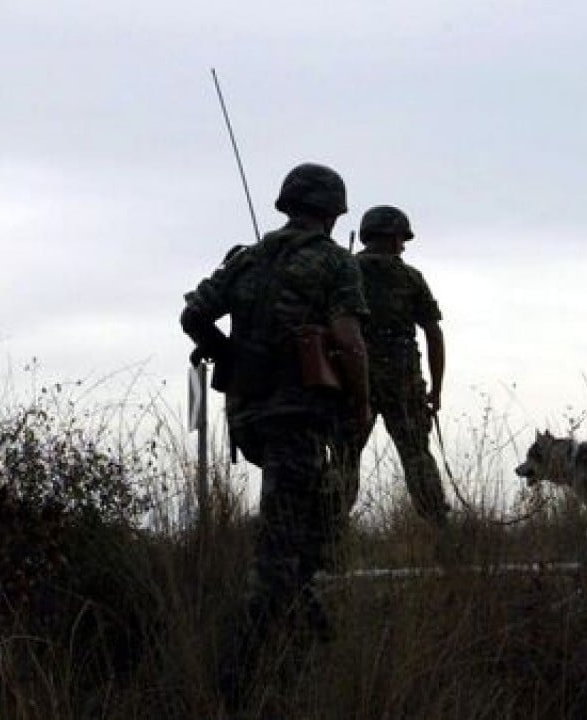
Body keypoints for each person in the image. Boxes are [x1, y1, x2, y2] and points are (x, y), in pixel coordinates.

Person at [180, 162, 372, 704]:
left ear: (287, 204)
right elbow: (349, 340)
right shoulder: (335, 263)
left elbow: (194, 315)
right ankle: (239, 682)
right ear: (333, 212)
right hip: (300, 420)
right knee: (280, 555)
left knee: (307, 538)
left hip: (252, 420)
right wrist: (361, 402)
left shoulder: (246, 259)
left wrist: (233, 359)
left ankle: (314, 648)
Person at [349, 205, 450, 531]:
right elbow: (433, 333)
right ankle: (440, 531)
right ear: (392, 237)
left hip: (354, 376)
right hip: (403, 379)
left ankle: (328, 535)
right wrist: (436, 388)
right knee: (417, 455)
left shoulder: (346, 270)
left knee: (344, 455)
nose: (403, 245)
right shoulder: (410, 278)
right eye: (401, 238)